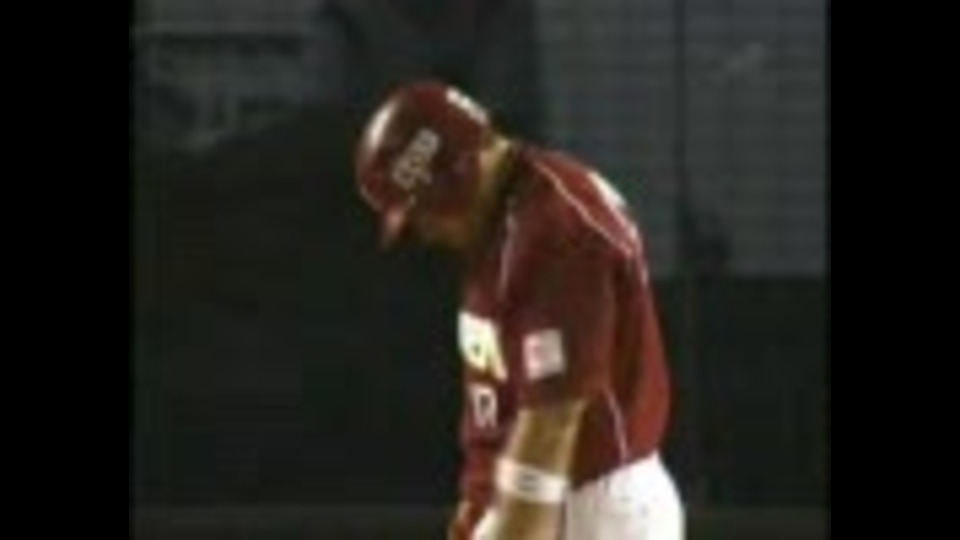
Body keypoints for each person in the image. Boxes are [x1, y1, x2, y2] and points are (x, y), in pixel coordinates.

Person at [354, 79, 685, 540]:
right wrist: (479, 502)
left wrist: (513, 525)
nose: (424, 233)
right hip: (551, 499)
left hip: (586, 503)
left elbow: (554, 421)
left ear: (454, 179)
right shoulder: (506, 219)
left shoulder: (553, 230)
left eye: (420, 212)